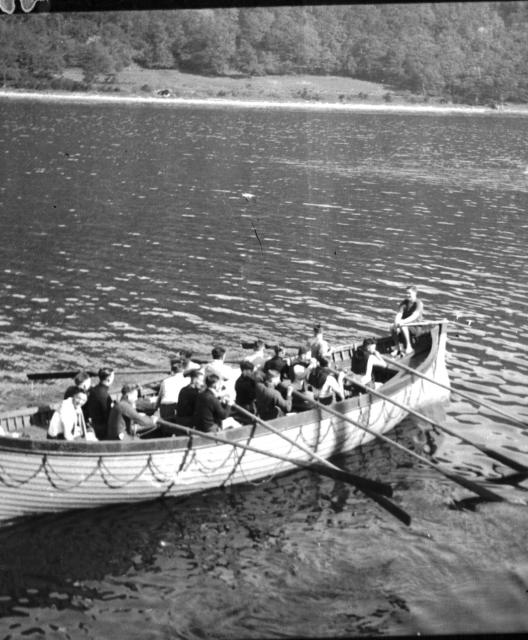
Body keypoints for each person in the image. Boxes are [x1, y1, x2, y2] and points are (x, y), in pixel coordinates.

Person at [391, 285, 424, 355]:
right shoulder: (404, 302)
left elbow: (414, 316)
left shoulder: (418, 303)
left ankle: (409, 347)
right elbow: (399, 314)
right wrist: (396, 323)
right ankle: (397, 347)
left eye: (409, 293)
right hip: (406, 325)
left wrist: (402, 322)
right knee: (392, 327)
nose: (407, 295)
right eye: (406, 293)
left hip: (416, 327)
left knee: (403, 326)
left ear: (415, 293)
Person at [84, 367, 114, 440]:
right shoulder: (105, 396)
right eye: (113, 376)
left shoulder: (93, 389)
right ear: (109, 379)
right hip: (101, 429)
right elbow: (109, 416)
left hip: (93, 422)